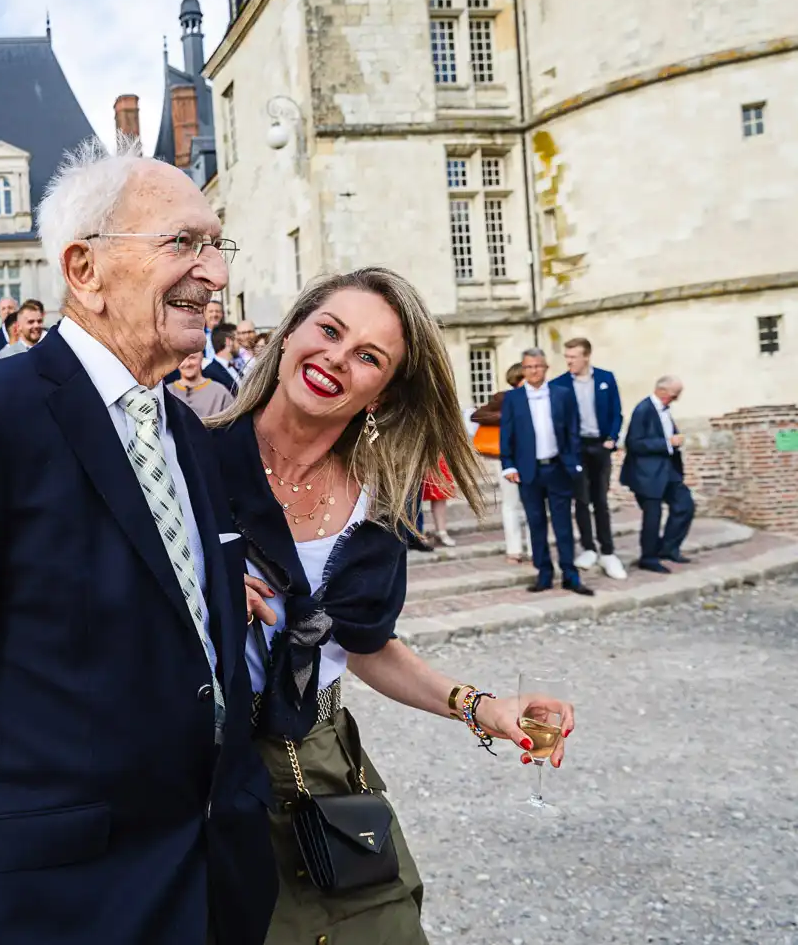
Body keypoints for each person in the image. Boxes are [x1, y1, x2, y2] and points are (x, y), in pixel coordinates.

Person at [0, 140, 275, 945]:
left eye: (217, 245)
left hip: (205, 887)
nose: (214, 273)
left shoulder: (186, 432)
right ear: (84, 270)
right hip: (59, 908)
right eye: (183, 243)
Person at [210, 268, 575, 942]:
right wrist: (195, 587)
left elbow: (363, 643)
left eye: (368, 357)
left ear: (382, 392)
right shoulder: (190, 458)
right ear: (290, 334)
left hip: (322, 766)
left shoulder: (379, 500)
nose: (336, 360)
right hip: (200, 769)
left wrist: (481, 707)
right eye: (329, 330)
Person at [500, 348, 593, 595]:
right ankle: (544, 573)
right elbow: (506, 435)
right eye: (528, 367)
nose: (533, 371)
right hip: (528, 471)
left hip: (558, 468)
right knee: (536, 523)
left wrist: (574, 462)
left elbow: (573, 429)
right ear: (523, 369)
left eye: (538, 366)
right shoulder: (513, 399)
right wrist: (508, 464)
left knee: (563, 524)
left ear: (546, 367)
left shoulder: (562, 394)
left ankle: (570, 575)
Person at [551, 337, 625, 580]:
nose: (569, 361)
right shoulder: (559, 384)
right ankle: (589, 548)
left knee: (600, 500)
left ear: (586, 357)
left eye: (573, 357)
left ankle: (608, 551)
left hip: (601, 446)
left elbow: (617, 412)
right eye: (567, 357)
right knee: (581, 500)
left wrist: (612, 438)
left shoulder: (606, 378)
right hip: (576, 447)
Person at [620, 376, 696, 573]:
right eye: (674, 395)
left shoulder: (665, 411)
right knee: (653, 516)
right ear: (662, 391)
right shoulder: (643, 410)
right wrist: (668, 442)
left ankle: (668, 548)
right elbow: (634, 444)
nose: (676, 399)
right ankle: (649, 557)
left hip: (668, 469)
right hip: (646, 473)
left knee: (685, 505)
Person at [470, 363, 529, 563]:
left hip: (531, 457)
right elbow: (476, 415)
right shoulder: (504, 398)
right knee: (511, 503)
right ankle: (514, 550)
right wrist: (505, 418)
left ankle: (534, 548)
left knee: (533, 505)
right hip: (506, 456)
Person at [167, 349, 234, 418]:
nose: (187, 363)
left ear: (202, 357)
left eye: (192, 358)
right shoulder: (166, 393)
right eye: (182, 359)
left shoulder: (220, 393)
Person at [205, 322, 242, 393]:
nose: (239, 345)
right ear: (228, 341)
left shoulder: (236, 367)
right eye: (238, 340)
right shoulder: (209, 373)